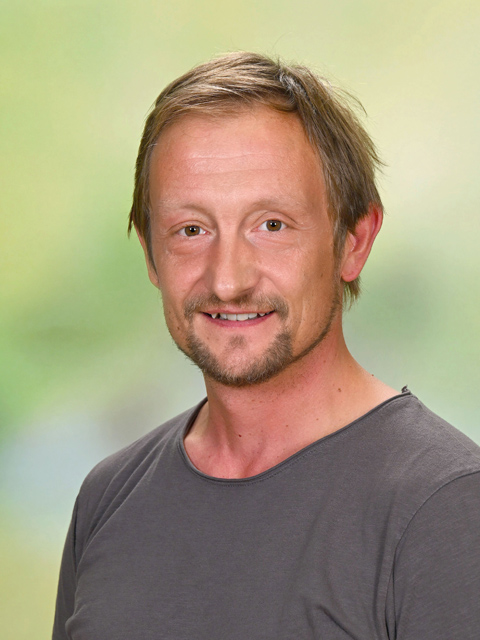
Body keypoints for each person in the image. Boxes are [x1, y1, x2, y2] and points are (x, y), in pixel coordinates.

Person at [52, 52, 480, 640]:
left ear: (354, 242)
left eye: (271, 225)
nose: (228, 280)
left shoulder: (447, 507)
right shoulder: (107, 499)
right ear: (150, 254)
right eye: (191, 230)